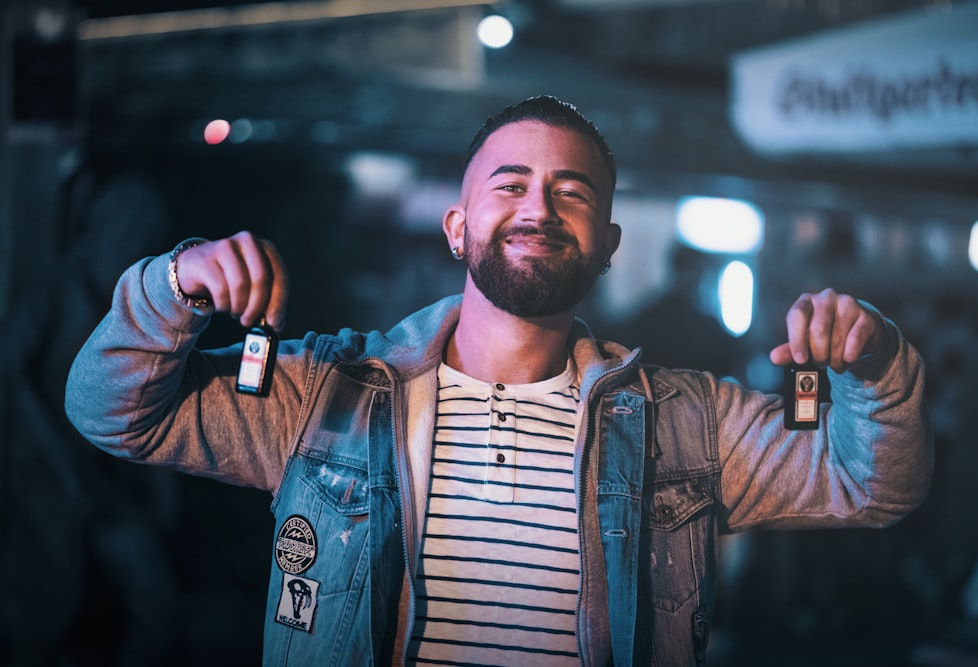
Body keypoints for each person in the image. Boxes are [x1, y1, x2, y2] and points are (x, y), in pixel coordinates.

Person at [65, 95, 933, 666]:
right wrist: (172, 283)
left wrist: (880, 364)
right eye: (510, 183)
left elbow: (874, 485)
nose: (538, 208)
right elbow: (112, 413)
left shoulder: (688, 425)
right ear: (457, 226)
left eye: (572, 193)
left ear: (609, 241)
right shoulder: (324, 397)